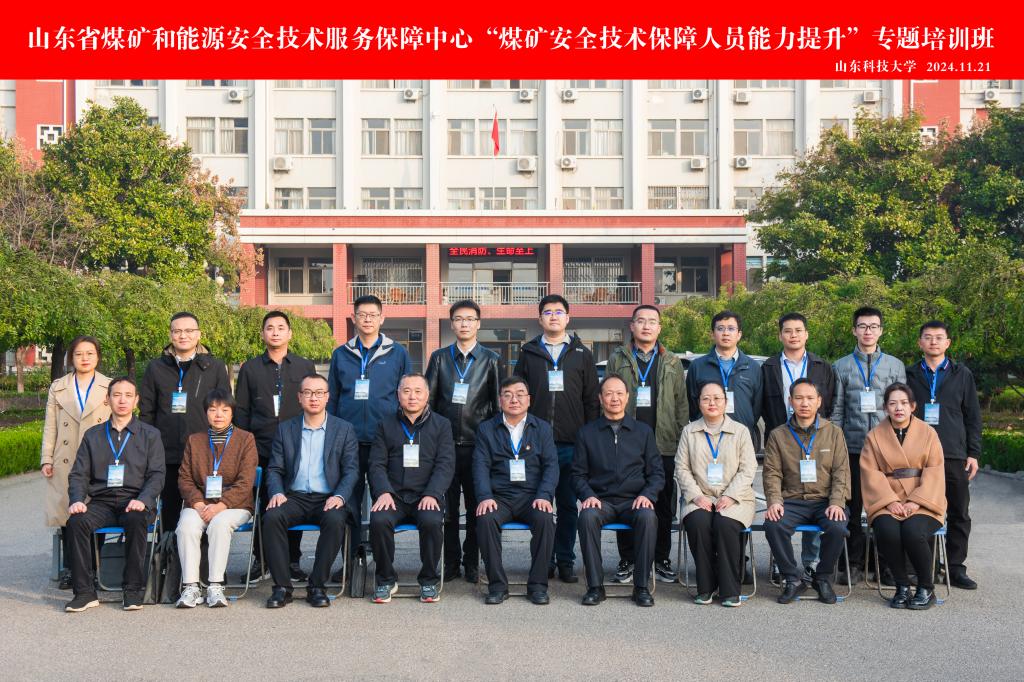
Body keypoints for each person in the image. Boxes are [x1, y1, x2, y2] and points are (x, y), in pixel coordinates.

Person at [513, 294, 599, 584]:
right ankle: (544, 560)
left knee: (567, 505)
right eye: (547, 312)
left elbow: (591, 400)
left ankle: (565, 560)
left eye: (559, 312)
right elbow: (518, 396)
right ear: (540, 319)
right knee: (539, 503)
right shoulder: (528, 352)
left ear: (568, 318)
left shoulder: (581, 354)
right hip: (534, 444)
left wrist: (588, 439)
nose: (553, 316)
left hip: (572, 444)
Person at [64, 377, 165, 613]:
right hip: (102, 502)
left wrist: (143, 500)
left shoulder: (150, 435)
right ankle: (84, 592)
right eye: (117, 395)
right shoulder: (93, 435)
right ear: (107, 399)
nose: (122, 400)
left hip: (135, 501)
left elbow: (157, 475)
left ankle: (132, 590)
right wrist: (77, 500)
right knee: (76, 522)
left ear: (136, 401)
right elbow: (79, 474)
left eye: (128, 395)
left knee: (136, 520)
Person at [605, 305, 688, 585]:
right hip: (627, 442)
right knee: (625, 499)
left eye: (652, 321)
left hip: (663, 443)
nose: (646, 326)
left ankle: (661, 558)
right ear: (632, 326)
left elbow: (681, 404)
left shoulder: (672, 361)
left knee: (662, 504)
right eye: (641, 321)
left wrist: (680, 439)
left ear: (659, 328)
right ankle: (628, 558)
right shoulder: (618, 358)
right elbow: (607, 396)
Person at [234, 310, 316, 584]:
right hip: (261, 448)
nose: (276, 332)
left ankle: (292, 560)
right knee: (264, 505)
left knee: (294, 502)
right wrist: (245, 448)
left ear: (290, 333)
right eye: (270, 328)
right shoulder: (250, 369)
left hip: (297, 447)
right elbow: (242, 411)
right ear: (263, 334)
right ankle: (262, 559)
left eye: (281, 327)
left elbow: (313, 405)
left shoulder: (304, 366)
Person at [263, 374, 359, 608]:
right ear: (299, 397)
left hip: (328, 497)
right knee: (272, 517)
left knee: (335, 520)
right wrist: (277, 492)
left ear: (327, 397)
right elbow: (274, 469)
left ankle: (317, 586)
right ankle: (282, 587)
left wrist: (339, 496)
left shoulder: (344, 429)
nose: (313, 398)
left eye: (319, 393)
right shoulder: (286, 429)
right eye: (307, 393)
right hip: (293, 497)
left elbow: (351, 470)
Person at [425, 300, 503, 584]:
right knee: (446, 510)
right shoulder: (439, 358)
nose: (464, 324)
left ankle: (472, 563)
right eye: (459, 319)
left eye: (470, 319)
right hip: (445, 448)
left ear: (478, 324)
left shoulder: (491, 359)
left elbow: (497, 406)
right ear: (452, 324)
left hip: (477, 447)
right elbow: (429, 403)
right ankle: (450, 562)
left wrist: (493, 445)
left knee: (475, 508)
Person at [327, 295, 412, 550]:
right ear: (353, 318)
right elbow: (332, 397)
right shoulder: (341, 354)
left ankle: (381, 558)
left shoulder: (397, 353)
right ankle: (351, 558)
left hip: (384, 440)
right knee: (349, 502)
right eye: (362, 315)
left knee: (384, 500)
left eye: (373, 315)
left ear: (382, 318)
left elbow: (407, 396)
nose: (367, 319)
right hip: (348, 440)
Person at [830, 306, 906, 584]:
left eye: (873, 326)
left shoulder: (895, 366)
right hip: (852, 447)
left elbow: (901, 409)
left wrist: (900, 443)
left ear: (881, 330)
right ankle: (851, 564)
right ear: (854, 330)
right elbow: (837, 410)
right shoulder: (841, 366)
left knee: (886, 508)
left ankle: (886, 565)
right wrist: (837, 446)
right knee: (852, 509)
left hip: (887, 450)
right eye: (862, 326)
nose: (868, 331)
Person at [573, 374, 663, 607]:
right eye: (609, 393)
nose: (615, 398)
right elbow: (578, 474)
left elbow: (656, 474)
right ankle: (595, 587)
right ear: (600, 398)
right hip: (601, 501)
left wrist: (647, 495)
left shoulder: (643, 432)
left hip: (634, 501)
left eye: (619, 393)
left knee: (648, 517)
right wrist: (588, 495)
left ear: (627, 397)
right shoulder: (587, 433)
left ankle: (641, 587)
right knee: (587, 517)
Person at [905, 321, 982, 590]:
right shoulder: (909, 374)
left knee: (959, 512)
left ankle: (955, 567)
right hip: (919, 455)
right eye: (928, 337)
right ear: (920, 343)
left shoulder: (962, 374)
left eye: (939, 338)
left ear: (948, 343)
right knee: (922, 509)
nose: (933, 342)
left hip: (953, 454)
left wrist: (973, 453)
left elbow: (973, 416)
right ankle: (925, 566)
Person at [761, 312, 837, 582]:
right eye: (787, 331)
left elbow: (830, 403)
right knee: (780, 501)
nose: (793, 335)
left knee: (815, 494)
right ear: (780, 335)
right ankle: (782, 564)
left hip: (815, 439)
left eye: (798, 330)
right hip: (781, 440)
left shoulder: (822, 366)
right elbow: (761, 403)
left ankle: (810, 562)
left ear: (806, 334)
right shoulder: (768, 367)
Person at [139, 311, 231, 532]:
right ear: (170, 335)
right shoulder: (156, 367)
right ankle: (169, 553)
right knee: (169, 512)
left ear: (198, 334)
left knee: (204, 512)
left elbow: (225, 410)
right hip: (166, 452)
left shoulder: (214, 367)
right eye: (177, 331)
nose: (183, 335)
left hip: (205, 453)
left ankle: (204, 555)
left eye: (189, 331)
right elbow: (147, 412)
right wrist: (149, 449)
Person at [368, 374, 455, 603]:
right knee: (379, 520)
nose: (412, 396)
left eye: (418, 391)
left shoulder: (442, 425)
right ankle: (386, 580)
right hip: (393, 495)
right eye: (406, 391)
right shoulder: (385, 425)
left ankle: (428, 580)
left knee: (431, 521)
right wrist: (383, 492)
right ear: (398, 395)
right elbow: (376, 464)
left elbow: (445, 464)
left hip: (426, 495)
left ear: (427, 395)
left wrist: (432, 494)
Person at [764, 378, 851, 604]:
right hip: (792, 500)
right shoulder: (778, 435)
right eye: (799, 398)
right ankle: (792, 578)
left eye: (810, 398)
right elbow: (772, 472)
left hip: (824, 501)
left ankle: (822, 578)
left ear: (819, 401)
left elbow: (841, 471)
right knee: (773, 525)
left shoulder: (834, 432)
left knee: (837, 527)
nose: (805, 403)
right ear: (790, 401)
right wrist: (775, 501)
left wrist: (836, 502)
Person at [861, 382, 947, 609]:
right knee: (887, 531)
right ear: (885, 408)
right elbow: (870, 472)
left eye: (903, 403)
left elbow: (935, 470)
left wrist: (915, 502)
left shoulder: (928, 433)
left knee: (913, 531)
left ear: (913, 406)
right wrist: (889, 502)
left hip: (924, 499)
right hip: (887, 499)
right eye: (892, 403)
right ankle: (901, 586)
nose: (898, 408)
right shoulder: (874, 436)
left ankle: (926, 588)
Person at [474, 376, 559, 605]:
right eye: (508, 395)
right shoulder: (486, 429)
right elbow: (480, 466)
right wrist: (485, 497)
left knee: (545, 519)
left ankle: (538, 585)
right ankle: (497, 586)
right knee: (485, 518)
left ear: (529, 400)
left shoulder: (542, 428)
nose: (514, 399)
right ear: (500, 400)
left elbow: (551, 466)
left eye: (520, 394)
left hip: (532, 497)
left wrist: (544, 496)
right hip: (499, 497)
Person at [675, 382, 757, 607]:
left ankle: (730, 589)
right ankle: (706, 587)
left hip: (736, 497)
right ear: (698, 403)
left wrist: (730, 496)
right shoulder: (689, 432)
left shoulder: (740, 431)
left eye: (717, 398)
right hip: (700, 496)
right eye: (706, 399)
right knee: (698, 522)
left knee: (725, 523)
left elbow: (748, 468)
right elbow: (681, 468)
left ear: (726, 402)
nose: (712, 403)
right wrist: (695, 496)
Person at [175, 389, 258, 608]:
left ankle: (215, 585)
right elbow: (185, 478)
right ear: (206, 413)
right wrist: (198, 503)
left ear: (232, 413)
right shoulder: (194, 440)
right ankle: (191, 587)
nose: (218, 415)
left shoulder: (246, 439)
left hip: (235, 505)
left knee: (219, 524)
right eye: (213, 410)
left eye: (224, 410)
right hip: (200, 503)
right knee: (186, 526)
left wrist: (221, 505)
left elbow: (246, 481)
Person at [41, 336, 111, 590]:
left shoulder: (110, 386)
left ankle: (95, 569)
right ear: (71, 357)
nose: (84, 358)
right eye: (79, 354)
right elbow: (50, 425)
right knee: (69, 514)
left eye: (90, 353)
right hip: (66, 458)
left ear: (98, 356)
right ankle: (72, 568)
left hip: (100, 458)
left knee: (97, 512)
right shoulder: (58, 387)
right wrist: (47, 458)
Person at [685, 310, 763, 451]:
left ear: (739, 334)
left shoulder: (752, 367)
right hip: (706, 438)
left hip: (741, 437)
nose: (726, 333)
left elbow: (757, 406)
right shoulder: (698, 366)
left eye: (731, 329)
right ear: (712, 334)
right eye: (720, 328)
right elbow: (692, 403)